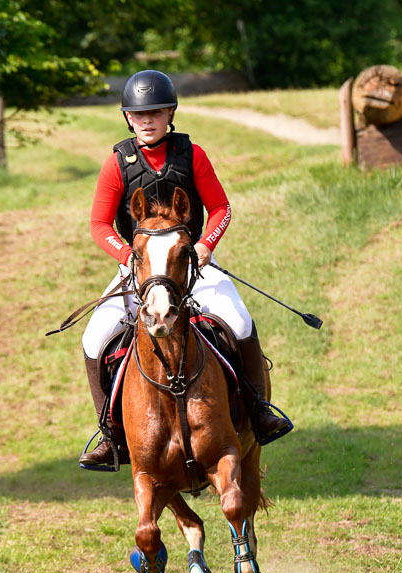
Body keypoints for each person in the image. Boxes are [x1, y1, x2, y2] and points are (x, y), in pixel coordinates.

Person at [80, 70, 289, 467]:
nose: (146, 120)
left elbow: (221, 208)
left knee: (239, 321)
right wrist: (129, 258)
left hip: (191, 264)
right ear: (127, 117)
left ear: (170, 113)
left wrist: (206, 244)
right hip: (140, 268)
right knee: (94, 338)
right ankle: (110, 436)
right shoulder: (116, 164)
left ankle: (259, 411)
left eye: (154, 113)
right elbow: (99, 225)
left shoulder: (192, 155)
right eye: (138, 114)